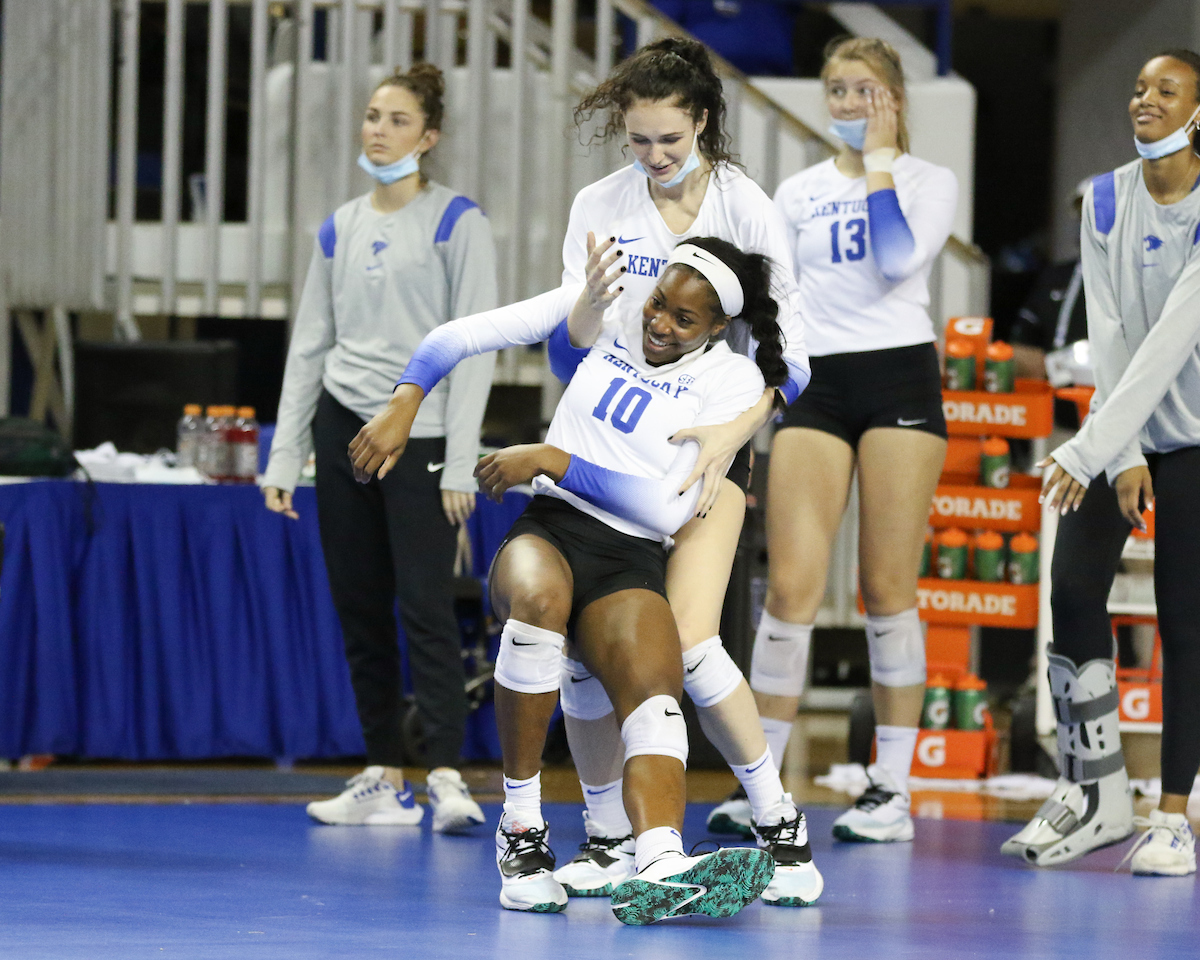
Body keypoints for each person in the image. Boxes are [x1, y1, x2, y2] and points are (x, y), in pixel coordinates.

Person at [355, 37, 822, 906]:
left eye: (669, 143)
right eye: (638, 142)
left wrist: (735, 430)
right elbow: (566, 333)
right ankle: (606, 838)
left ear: (704, 123)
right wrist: (583, 311)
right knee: (572, 649)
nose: (652, 159)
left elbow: (792, 354)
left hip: (699, 453)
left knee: (683, 645)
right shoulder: (602, 208)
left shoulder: (748, 213)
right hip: (596, 461)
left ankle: (776, 819)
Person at [351, 237, 783, 923]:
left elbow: (665, 505)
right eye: (659, 304)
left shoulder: (729, 381)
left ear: (719, 328)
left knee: (657, 689)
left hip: (631, 553)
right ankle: (522, 832)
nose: (660, 323)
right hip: (551, 528)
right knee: (537, 599)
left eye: (683, 319)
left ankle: (664, 862)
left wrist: (553, 456)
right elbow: (458, 334)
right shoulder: (610, 310)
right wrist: (406, 400)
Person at [731, 36, 957, 844]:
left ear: (894, 97)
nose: (849, 105)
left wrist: (886, 160)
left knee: (887, 587)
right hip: (817, 381)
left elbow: (897, 257)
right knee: (791, 587)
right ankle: (764, 787)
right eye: (836, 91)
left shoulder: (932, 181)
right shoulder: (796, 191)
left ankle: (890, 787)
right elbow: (778, 298)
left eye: (865, 90)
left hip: (898, 378)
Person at [261, 64, 496, 833]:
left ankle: (448, 778)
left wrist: (461, 461)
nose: (377, 130)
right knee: (359, 609)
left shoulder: (459, 222)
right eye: (371, 116)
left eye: (397, 120)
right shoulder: (338, 225)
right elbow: (308, 346)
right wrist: (283, 453)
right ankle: (381, 775)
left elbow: (476, 350)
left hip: (420, 437)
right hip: (342, 430)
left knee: (425, 608)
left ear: (428, 137)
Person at [1003, 50, 1200, 877]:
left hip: (1194, 434)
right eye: (1138, 88)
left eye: (1167, 91)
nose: (1143, 100)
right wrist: (1116, 452)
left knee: (1184, 621)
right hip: (1122, 426)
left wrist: (1087, 449)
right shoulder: (1110, 195)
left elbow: (1172, 340)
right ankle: (1097, 793)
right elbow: (1113, 330)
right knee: (1075, 587)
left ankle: (1176, 814)